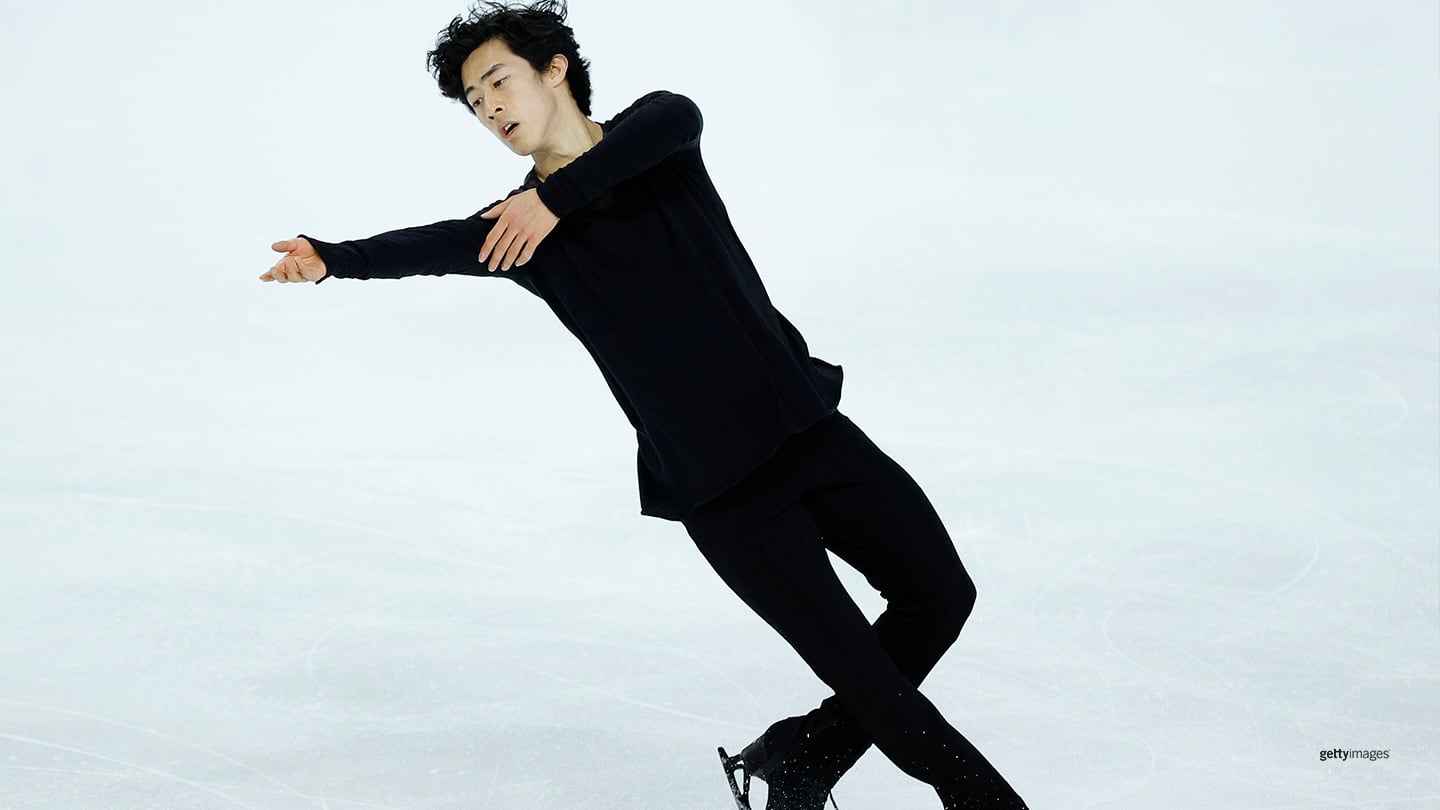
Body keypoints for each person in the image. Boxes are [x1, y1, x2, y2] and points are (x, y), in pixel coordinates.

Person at [260, 2, 1029, 807]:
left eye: (498, 80)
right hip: (726, 495)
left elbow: (674, 114)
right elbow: (427, 245)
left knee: (942, 596)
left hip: (810, 430)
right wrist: (333, 259)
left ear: (554, 68)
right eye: (473, 100)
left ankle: (802, 758)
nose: (488, 107)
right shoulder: (519, 234)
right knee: (871, 681)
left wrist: (555, 199)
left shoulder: (655, 142)